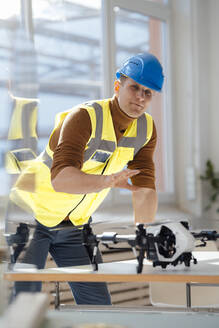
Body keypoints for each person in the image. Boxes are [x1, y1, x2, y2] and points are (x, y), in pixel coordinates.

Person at [11, 52, 164, 305]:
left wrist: (144, 233)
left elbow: (144, 186)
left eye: (148, 92)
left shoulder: (146, 129)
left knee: (98, 306)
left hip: (74, 226)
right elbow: (61, 179)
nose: (140, 97)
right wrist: (107, 181)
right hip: (30, 217)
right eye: (134, 87)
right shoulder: (84, 117)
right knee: (25, 306)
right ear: (118, 86)